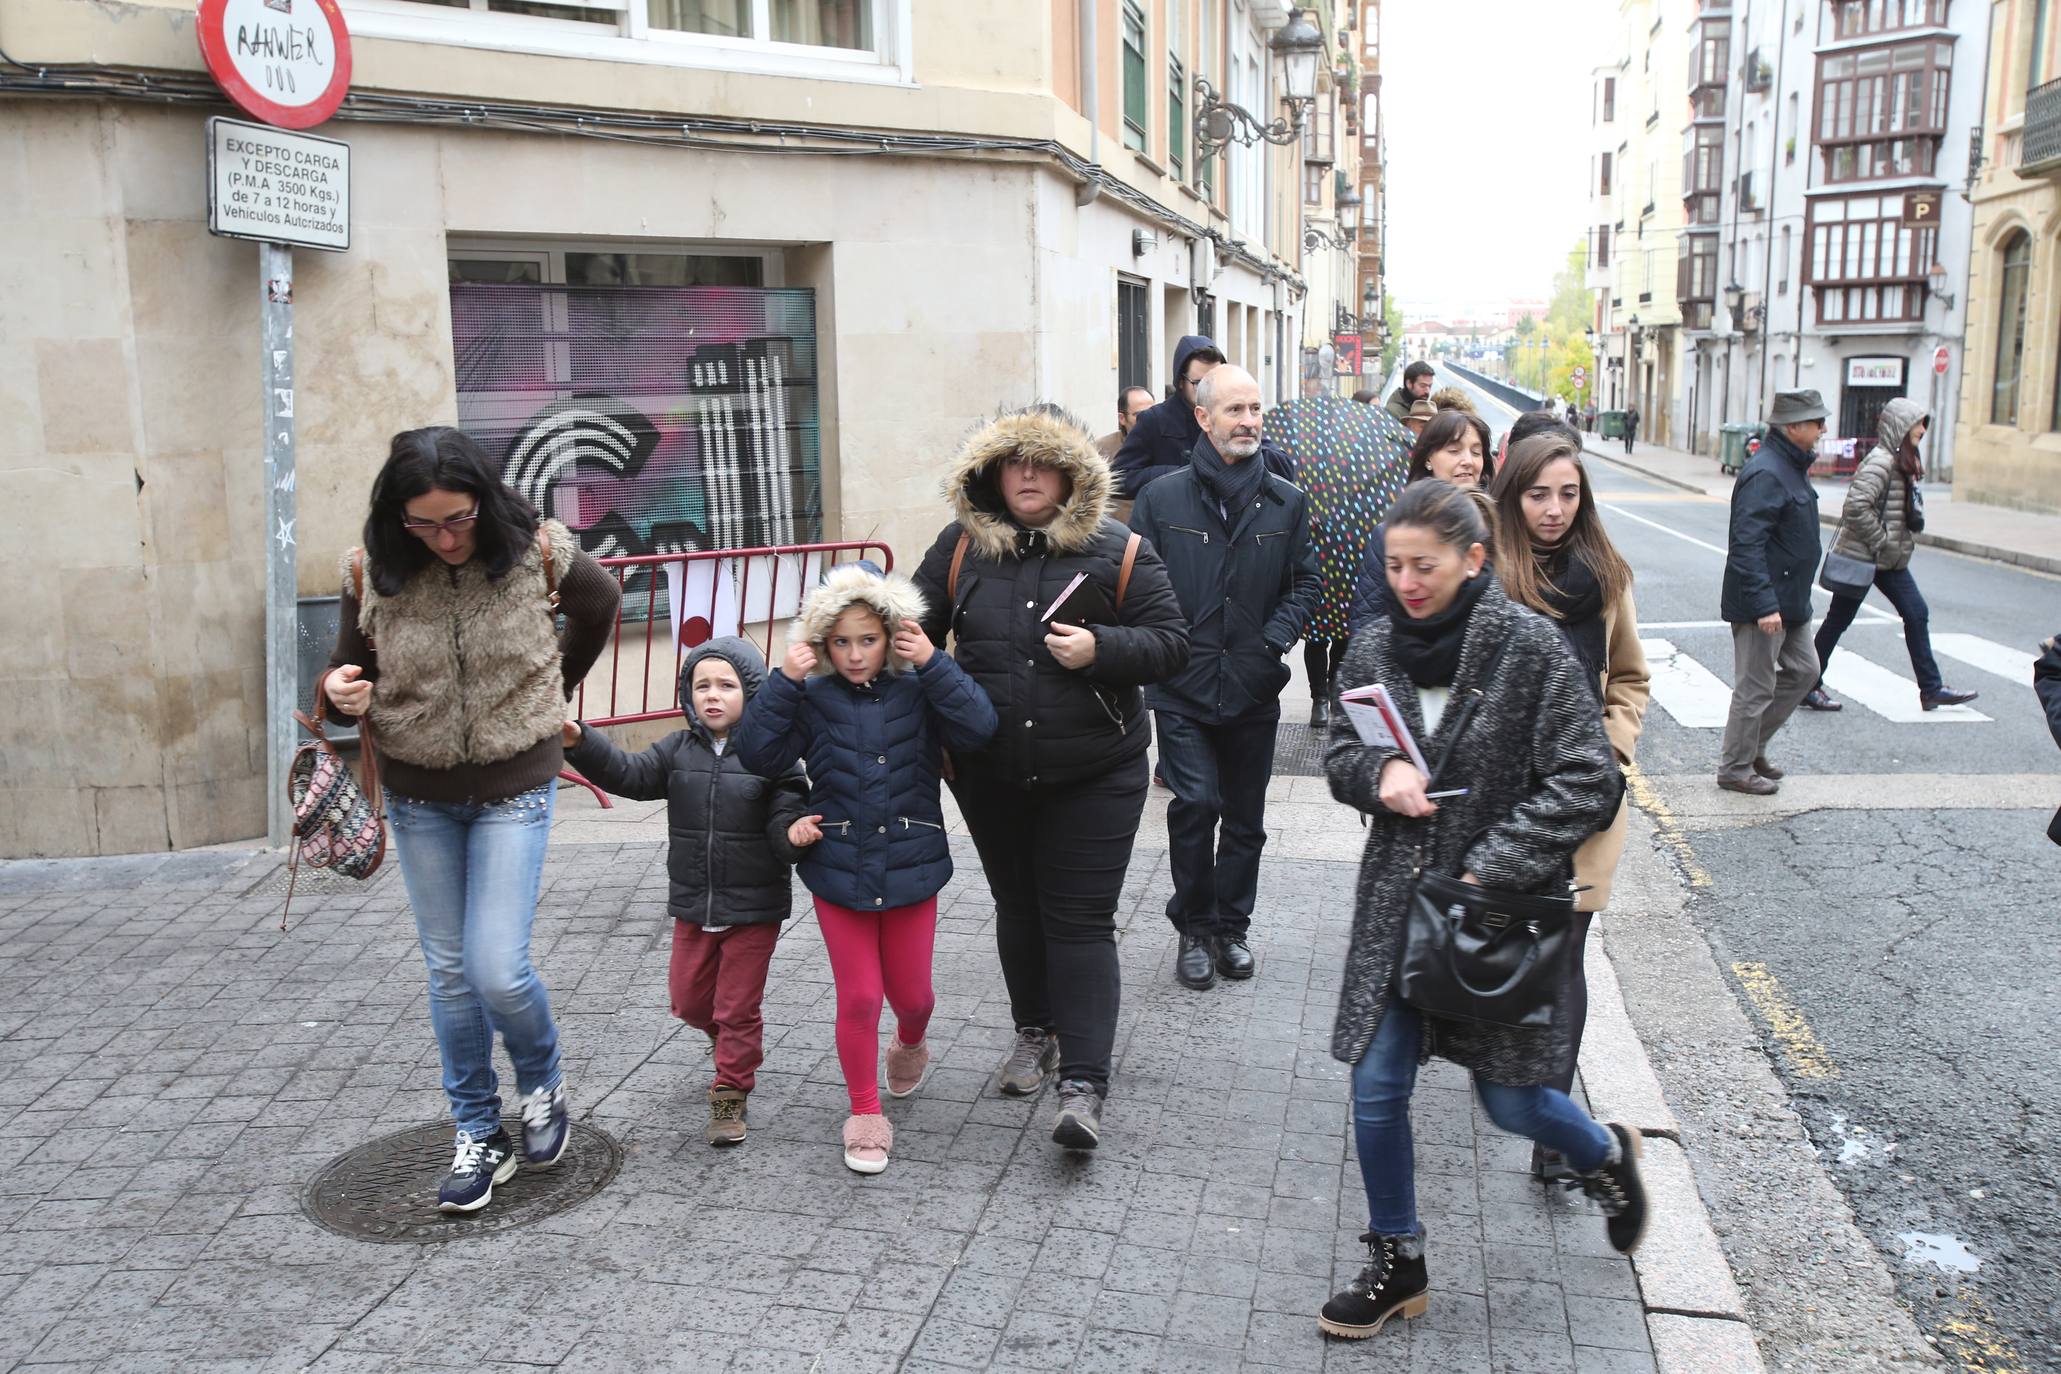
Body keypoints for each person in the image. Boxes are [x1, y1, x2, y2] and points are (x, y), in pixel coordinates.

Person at [1318, 479, 1647, 1342]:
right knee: (1376, 1083)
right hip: (1397, 908)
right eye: (1392, 566)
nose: (1406, 582)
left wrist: (1490, 865)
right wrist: (1376, 777)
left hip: (1493, 917)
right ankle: (1399, 1259)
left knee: (1510, 1102)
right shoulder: (1373, 647)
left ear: (1471, 560)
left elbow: (1589, 779)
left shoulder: (1528, 648)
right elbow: (1342, 749)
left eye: (1423, 565)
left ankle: (1604, 1155)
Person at [323, 426, 622, 1214]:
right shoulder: (373, 571)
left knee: (497, 966)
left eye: (457, 519)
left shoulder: (538, 553)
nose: (445, 538)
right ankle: (478, 1132)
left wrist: (551, 689)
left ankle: (543, 1082)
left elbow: (602, 605)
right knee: (451, 974)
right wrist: (343, 694)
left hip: (514, 786)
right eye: (423, 524)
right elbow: (345, 668)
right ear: (397, 518)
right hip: (418, 792)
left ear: (484, 503)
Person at [914, 403, 1189, 1152]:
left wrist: (1100, 647)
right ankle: (1034, 1034)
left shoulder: (1118, 547)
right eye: (1013, 462)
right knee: (1018, 907)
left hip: (1094, 770)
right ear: (991, 473)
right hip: (988, 769)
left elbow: (1170, 644)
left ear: (1071, 473)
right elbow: (913, 628)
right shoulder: (961, 546)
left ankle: (1084, 1085)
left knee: (1078, 920)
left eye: (1042, 462)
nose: (1027, 475)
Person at [732, 564, 998, 1174]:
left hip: (911, 863)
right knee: (859, 997)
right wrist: (782, 682)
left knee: (915, 997)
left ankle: (909, 1041)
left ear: (891, 634)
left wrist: (933, 662)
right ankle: (864, 1111)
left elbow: (980, 728)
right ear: (823, 642)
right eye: (841, 642)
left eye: (868, 639)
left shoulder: (919, 686)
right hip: (838, 867)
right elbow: (759, 754)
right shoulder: (810, 694)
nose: (854, 655)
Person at [561, 638, 808, 1147]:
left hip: (753, 908)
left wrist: (793, 834)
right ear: (687, 694)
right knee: (690, 1003)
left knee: (737, 1007)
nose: (712, 696)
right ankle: (727, 1042)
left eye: (726, 686)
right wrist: (579, 740)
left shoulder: (774, 755)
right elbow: (628, 774)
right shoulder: (676, 750)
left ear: (753, 693)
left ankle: (731, 1091)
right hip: (694, 903)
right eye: (702, 686)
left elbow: (788, 811)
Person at [1489, 433, 1649, 1180]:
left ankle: (1553, 1125)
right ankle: (1510, 1079)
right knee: (1506, 952)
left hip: (1583, 800)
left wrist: (1610, 758)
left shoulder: (1606, 577)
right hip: (1503, 801)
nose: (1554, 510)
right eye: (1537, 494)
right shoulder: (1488, 573)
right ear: (1513, 495)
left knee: (1565, 960)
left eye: (1568, 494)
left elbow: (1628, 680)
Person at [1130, 365, 1319, 992]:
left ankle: (1231, 929)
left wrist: (1272, 641)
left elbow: (1304, 584)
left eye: (1256, 410)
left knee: (1244, 819)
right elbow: (1134, 583)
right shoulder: (1162, 499)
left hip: (1251, 683)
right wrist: (1160, 642)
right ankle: (1193, 928)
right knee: (1195, 805)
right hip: (1180, 683)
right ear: (1203, 419)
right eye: (1235, 410)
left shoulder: (1286, 501)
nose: (1249, 422)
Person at [1802, 399, 1978, 713]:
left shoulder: (1903, 460)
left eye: (1924, 423)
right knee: (1838, 621)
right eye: (1917, 424)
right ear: (1900, 426)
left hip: (1887, 561)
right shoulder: (1880, 461)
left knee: (1916, 613)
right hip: (1866, 556)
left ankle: (1931, 689)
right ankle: (1807, 685)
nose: (1923, 430)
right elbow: (1855, 507)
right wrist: (1881, 539)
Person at [1718, 390, 1828, 795]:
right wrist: (1764, 604)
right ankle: (1735, 766)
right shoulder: (1767, 471)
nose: (1823, 430)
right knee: (1756, 687)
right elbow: (1746, 544)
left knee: (1805, 671)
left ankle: (1752, 747)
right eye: (1817, 423)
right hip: (1763, 603)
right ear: (1794, 427)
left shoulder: (1789, 465)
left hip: (1791, 601)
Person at [1348, 408, 1497, 631]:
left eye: (1476, 452)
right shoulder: (1389, 534)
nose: (1468, 461)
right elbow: (1367, 617)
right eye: (1454, 450)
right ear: (1428, 459)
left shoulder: (1500, 528)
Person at [1094, 385, 1155, 464]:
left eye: (1152, 412)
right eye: (1140, 414)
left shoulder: (1168, 442)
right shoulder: (1101, 449)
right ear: (1122, 418)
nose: (1148, 418)